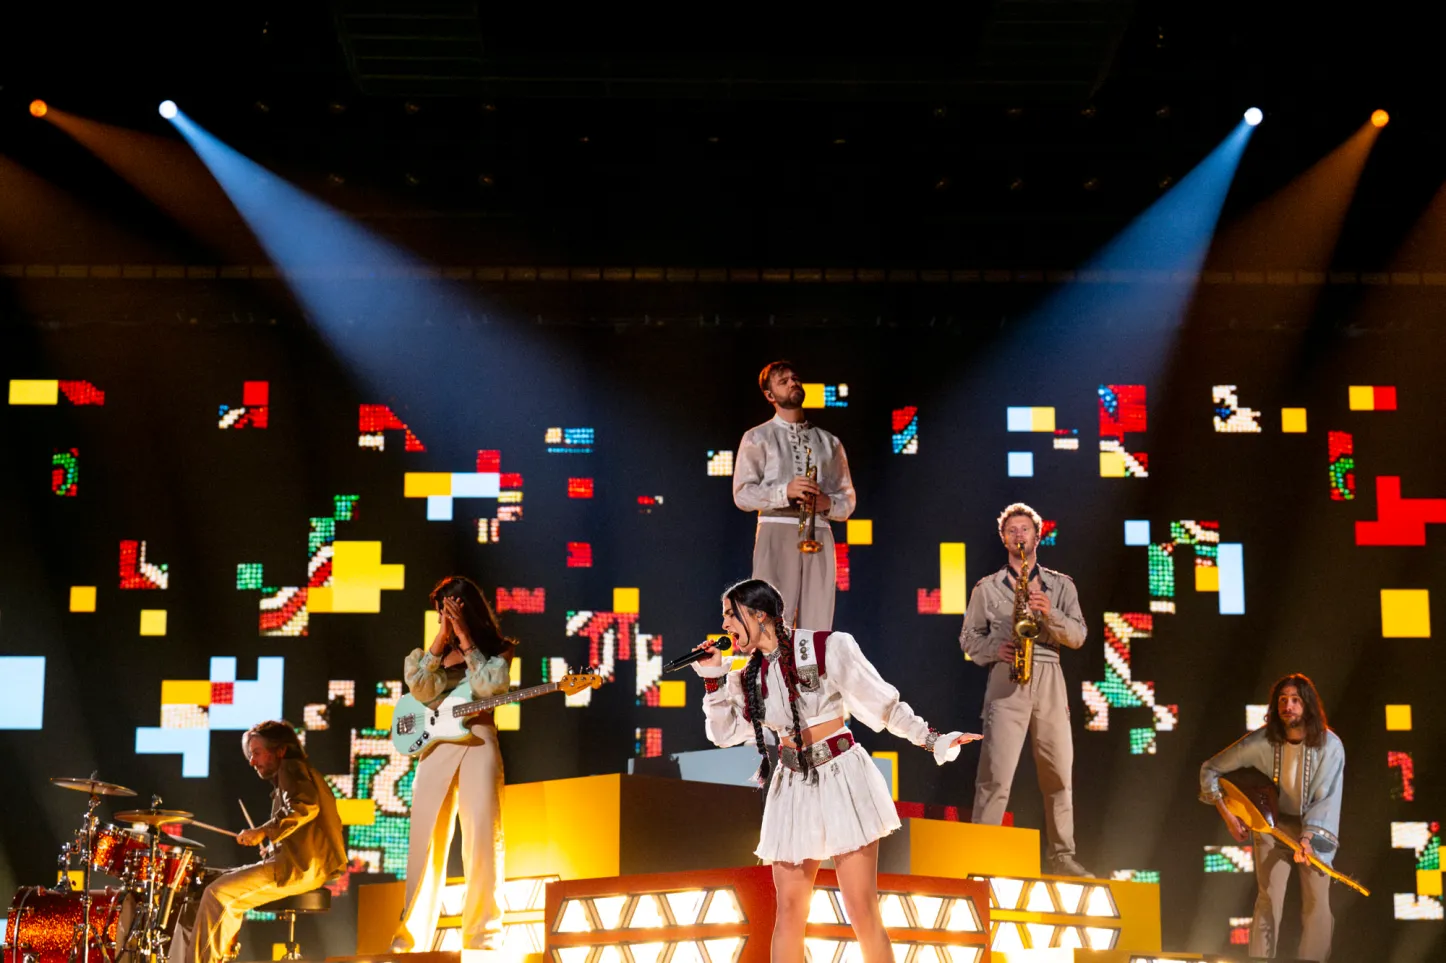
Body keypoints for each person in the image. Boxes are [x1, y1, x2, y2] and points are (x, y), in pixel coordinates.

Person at [691, 578, 979, 963]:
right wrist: (712, 679)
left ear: (760, 615)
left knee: (860, 909)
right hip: (792, 786)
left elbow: (884, 706)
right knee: (790, 912)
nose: (724, 626)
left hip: (842, 776)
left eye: (731, 614)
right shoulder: (747, 677)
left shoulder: (827, 647)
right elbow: (724, 733)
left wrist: (932, 740)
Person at [959, 502, 1090, 877]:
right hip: (1007, 676)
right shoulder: (986, 587)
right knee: (995, 774)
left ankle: (1063, 855)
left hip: (1049, 672)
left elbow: (1079, 636)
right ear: (1003, 538)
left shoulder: (1062, 585)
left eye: (1025, 530)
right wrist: (992, 650)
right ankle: (983, 854)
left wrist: (1051, 613)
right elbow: (968, 638)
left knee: (1058, 772)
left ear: (1037, 536)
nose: (1019, 536)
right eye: (1012, 530)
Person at [391, 577, 516, 952]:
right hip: (435, 749)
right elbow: (420, 690)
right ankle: (409, 942)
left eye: (453, 608)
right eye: (441, 610)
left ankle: (483, 938)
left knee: (482, 840)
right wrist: (440, 639)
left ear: (468, 608)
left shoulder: (498, 651)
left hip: (478, 740)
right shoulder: (431, 656)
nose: (446, 615)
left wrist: (465, 637)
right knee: (424, 845)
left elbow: (490, 689)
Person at [168, 720, 346, 963]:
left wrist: (263, 832)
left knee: (218, 894)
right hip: (297, 863)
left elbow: (306, 806)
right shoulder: (294, 772)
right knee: (209, 887)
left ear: (280, 750)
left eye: (257, 753)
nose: (252, 761)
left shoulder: (291, 767)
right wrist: (273, 846)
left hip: (301, 868)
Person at [1200, 673, 1344, 961]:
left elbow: (1327, 798)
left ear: (1308, 705)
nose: (1287, 706)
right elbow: (1211, 769)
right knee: (1268, 898)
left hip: (1312, 828)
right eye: (1282, 700)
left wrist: (1308, 839)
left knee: (1317, 901)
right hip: (1271, 826)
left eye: (1294, 700)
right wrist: (1229, 815)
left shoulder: (1330, 746)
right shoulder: (1262, 741)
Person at [733, 360, 856, 630]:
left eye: (795, 378)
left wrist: (828, 503)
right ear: (769, 395)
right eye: (783, 381)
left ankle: (812, 673)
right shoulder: (757, 437)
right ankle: (772, 673)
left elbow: (847, 500)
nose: (793, 383)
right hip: (775, 529)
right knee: (771, 617)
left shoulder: (829, 441)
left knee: (818, 619)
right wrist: (784, 492)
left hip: (819, 532)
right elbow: (742, 495)